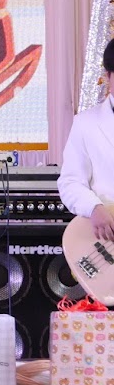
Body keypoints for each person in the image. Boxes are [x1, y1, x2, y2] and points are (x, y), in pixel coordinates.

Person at [59, 38, 114, 241]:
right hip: (105, 239)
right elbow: (70, 182)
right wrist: (94, 208)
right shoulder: (85, 123)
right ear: (108, 76)